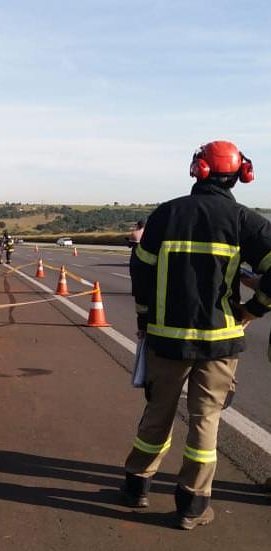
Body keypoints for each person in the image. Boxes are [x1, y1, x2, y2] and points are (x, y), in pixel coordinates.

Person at [123, 140, 271, 530]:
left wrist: (143, 319)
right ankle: (192, 505)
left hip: (167, 340)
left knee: (158, 413)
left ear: (198, 169)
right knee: (206, 420)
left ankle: (137, 484)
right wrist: (252, 310)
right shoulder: (246, 221)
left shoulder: (165, 215)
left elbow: (141, 271)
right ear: (241, 174)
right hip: (220, 341)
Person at [127, 220, 146, 295]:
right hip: (145, 256)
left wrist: (128, 240)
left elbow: (129, 245)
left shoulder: (134, 233)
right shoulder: (147, 233)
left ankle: (134, 290)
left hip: (135, 255)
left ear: (138, 225)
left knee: (133, 273)